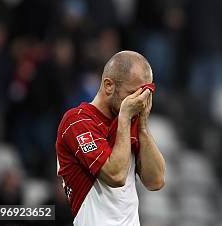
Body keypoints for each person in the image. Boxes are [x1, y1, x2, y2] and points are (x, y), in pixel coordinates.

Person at [55, 50, 165, 225]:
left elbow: (156, 181)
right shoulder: (77, 121)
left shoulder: (131, 120)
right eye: (133, 93)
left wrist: (142, 125)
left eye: (145, 94)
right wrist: (124, 118)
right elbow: (116, 175)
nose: (139, 101)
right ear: (108, 85)